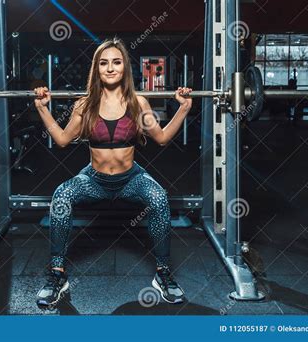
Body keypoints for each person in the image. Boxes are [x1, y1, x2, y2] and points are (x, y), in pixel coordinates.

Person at [33, 38, 193, 306]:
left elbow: (162, 137)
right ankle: (58, 274)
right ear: (96, 69)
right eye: (103, 63)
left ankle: (163, 273)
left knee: (158, 198)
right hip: (93, 181)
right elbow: (61, 139)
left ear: (124, 68)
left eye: (116, 62)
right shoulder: (85, 105)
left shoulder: (138, 104)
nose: (110, 68)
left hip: (131, 179)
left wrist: (184, 107)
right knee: (61, 196)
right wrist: (42, 108)